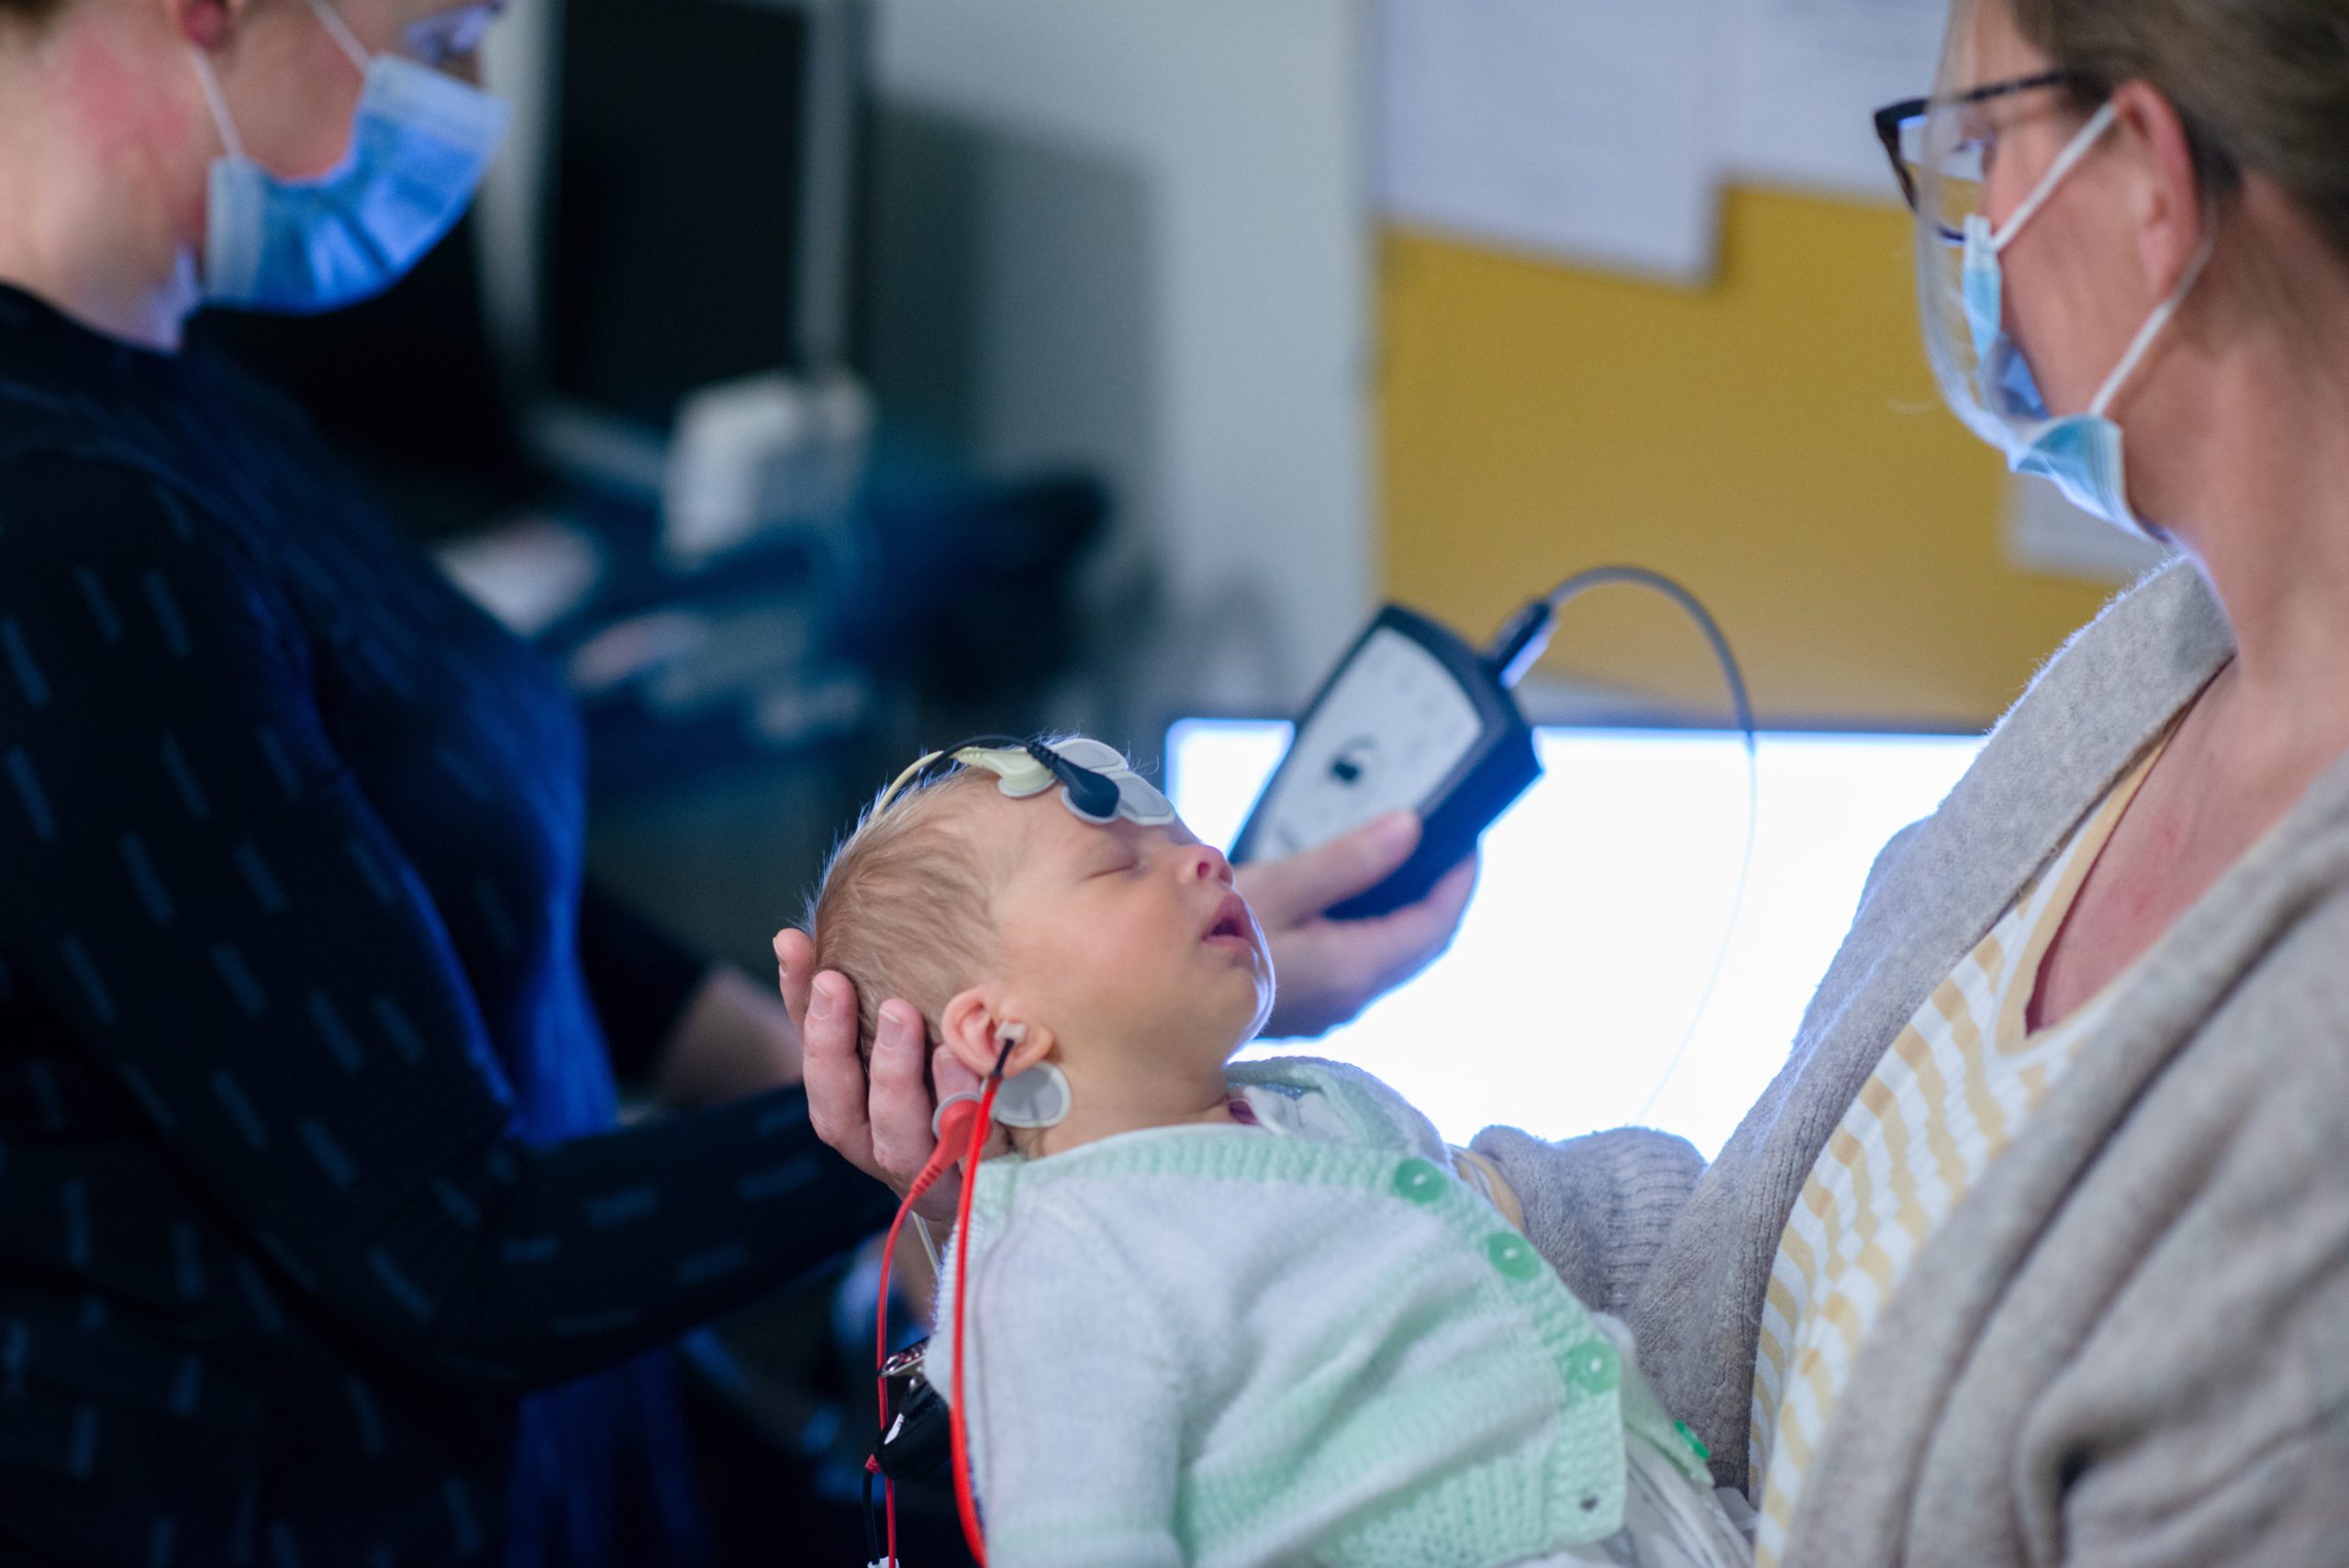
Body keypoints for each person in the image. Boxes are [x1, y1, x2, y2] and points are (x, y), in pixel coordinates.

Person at [784, 0, 2349, 1561]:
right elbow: (1779, 1244)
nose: (1969, 217)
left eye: (1986, 139)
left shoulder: (2304, 1085)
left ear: (2144, 176)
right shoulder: (2153, 665)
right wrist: (1106, 1159)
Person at [0, 0, 939, 1562]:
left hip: (564, 1457)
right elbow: (458, 1253)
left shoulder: (192, 395)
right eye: (439, 39)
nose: (477, 98)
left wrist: (823, 1067)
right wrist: (955, 1117)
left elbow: (462, 872)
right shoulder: (57, 534)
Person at [802, 738, 1749, 1568]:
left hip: (1660, 1511)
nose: (1205, 858)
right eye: (1119, 866)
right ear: (997, 1024)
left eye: (1182, 837)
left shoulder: (1319, 1101)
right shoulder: (1055, 1266)